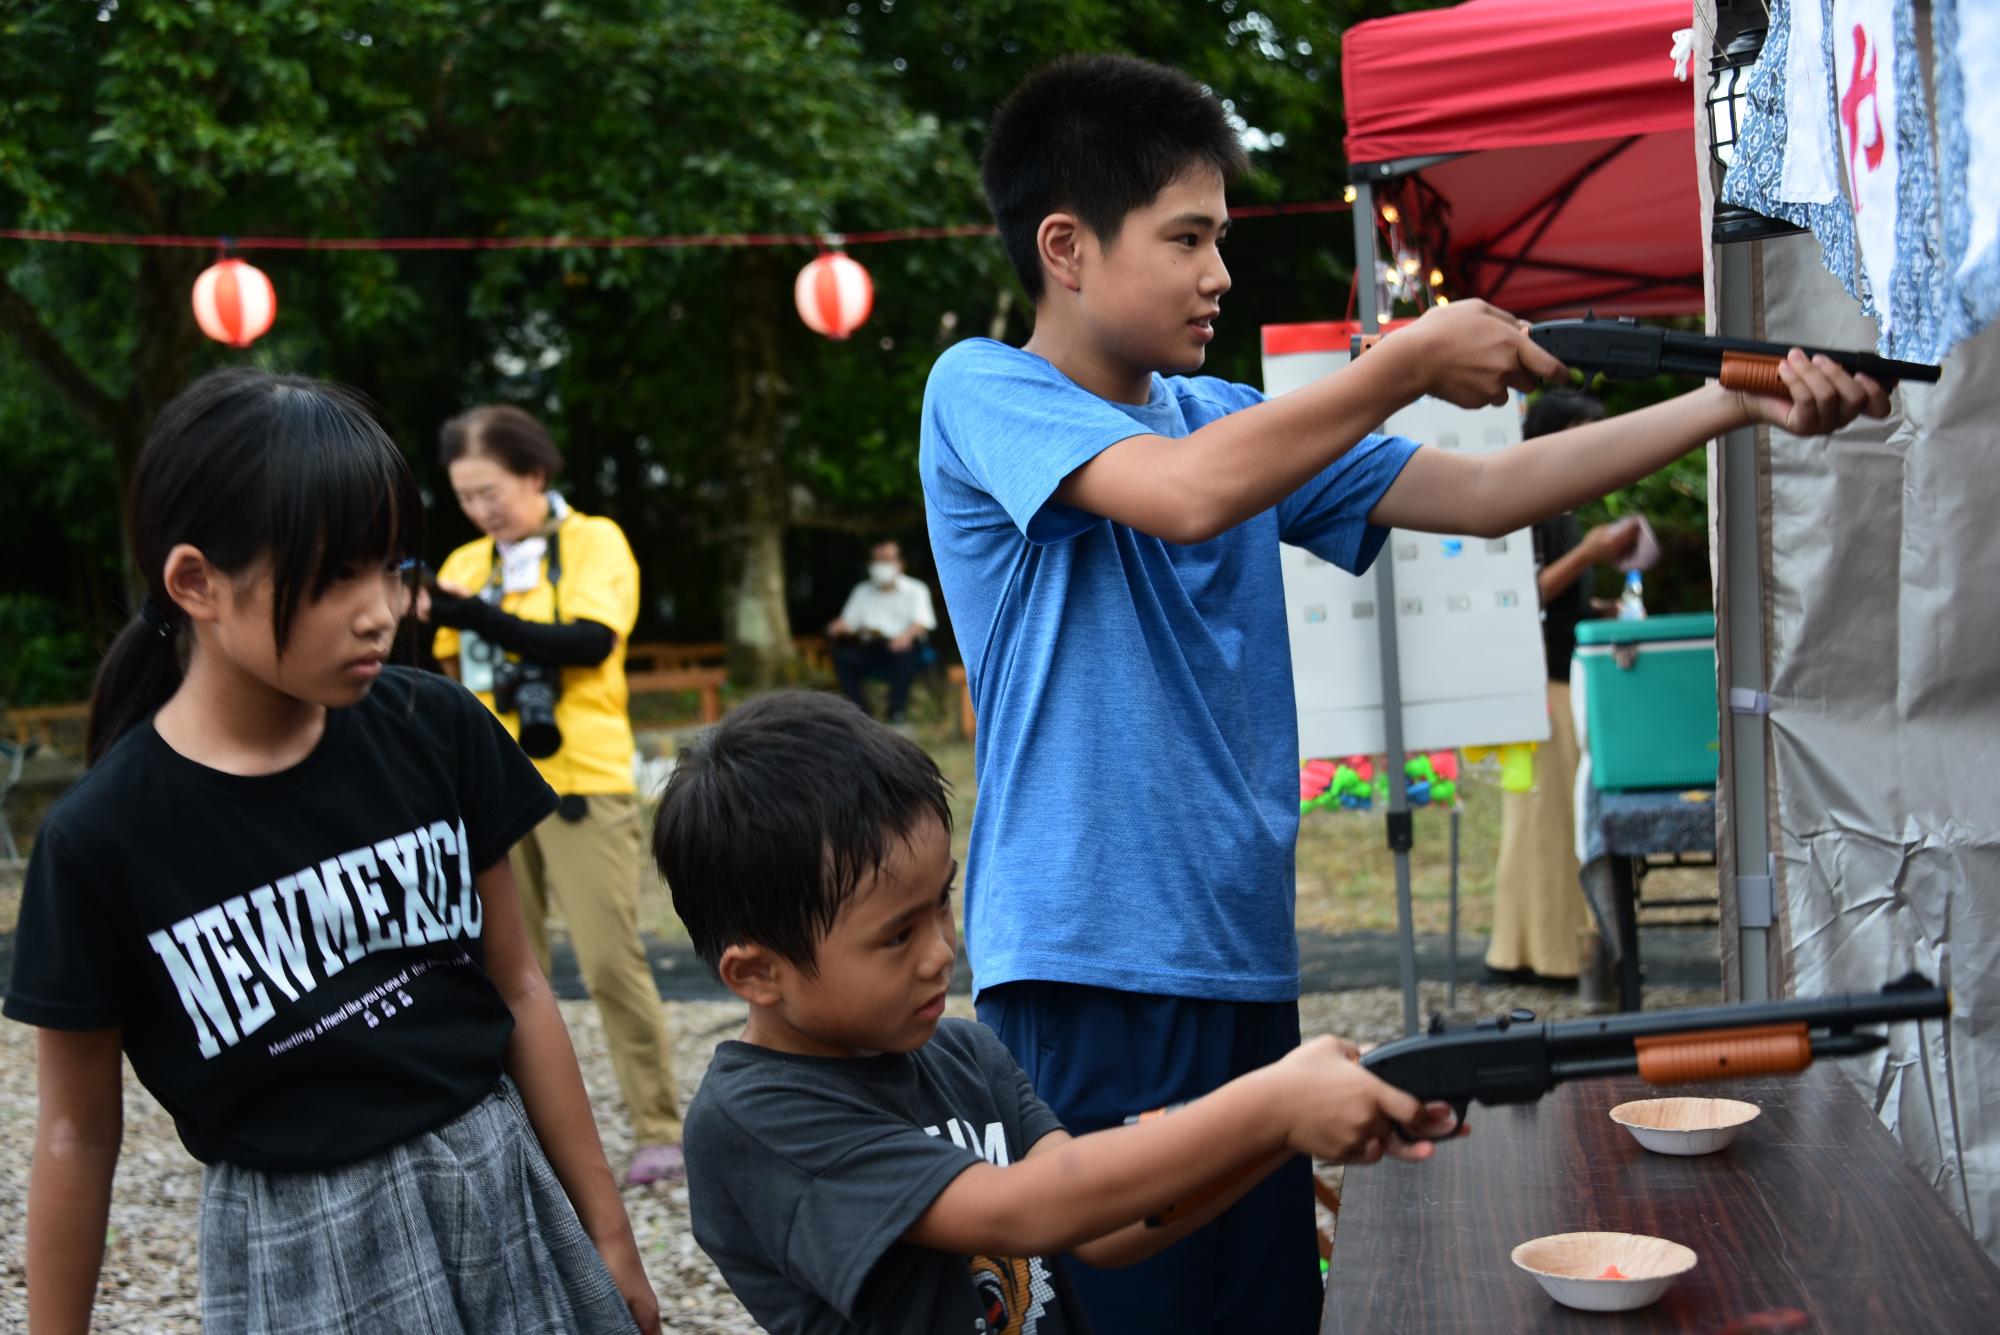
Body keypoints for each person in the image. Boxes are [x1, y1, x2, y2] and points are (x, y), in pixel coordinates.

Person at [918, 53, 1893, 1335]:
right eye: (1187, 238)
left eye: (1221, 236)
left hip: (1239, 954)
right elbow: (1182, 494)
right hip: (1091, 960)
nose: (1218, 273)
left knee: (1260, 1309)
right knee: (1121, 1310)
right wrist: (1407, 359)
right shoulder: (981, 392)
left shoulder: (1225, 412)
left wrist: (1731, 400)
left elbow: (1483, 496)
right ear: (1066, 247)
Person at [4, 369, 658, 1334]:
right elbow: (74, 1126)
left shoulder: (434, 728)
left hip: (500, 1180)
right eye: (333, 576)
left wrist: (608, 1235)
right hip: (298, 1243)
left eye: (392, 568)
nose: (379, 611)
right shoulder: (102, 837)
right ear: (195, 582)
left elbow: (519, 984)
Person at [651, 691, 1459, 1334]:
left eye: (942, 903)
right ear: (757, 973)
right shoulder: (754, 1120)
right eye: (897, 935)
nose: (942, 950)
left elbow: (1100, 1231)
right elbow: (1029, 1208)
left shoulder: (965, 1056)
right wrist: (1272, 1101)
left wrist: (1279, 1133)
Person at [421, 404, 686, 1185]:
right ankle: (530, 1138)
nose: (480, 510)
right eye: (466, 497)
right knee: (507, 966)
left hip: (583, 777)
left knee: (609, 960)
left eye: (491, 491)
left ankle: (658, 1126)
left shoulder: (594, 540)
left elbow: (592, 641)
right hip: (487, 788)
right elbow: (441, 664)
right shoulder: (466, 562)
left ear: (536, 474)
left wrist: (480, 617)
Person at [1485, 391, 1641, 984]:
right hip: (1536, 684)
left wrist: (1600, 605)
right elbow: (1521, 596)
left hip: (1560, 678)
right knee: (1542, 822)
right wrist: (1591, 554)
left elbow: (1557, 599)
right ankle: (1540, 954)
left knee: (1551, 821)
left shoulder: (1560, 505)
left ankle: (1541, 949)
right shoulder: (1526, 502)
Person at [828, 538, 938, 723]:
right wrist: (838, 627)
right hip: (870, 647)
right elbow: (848, 623)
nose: (880, 565)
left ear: (900, 564)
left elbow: (923, 622)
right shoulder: (861, 591)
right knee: (843, 657)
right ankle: (861, 713)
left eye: (886, 560)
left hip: (904, 648)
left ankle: (896, 710)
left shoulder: (916, 589)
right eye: (876, 560)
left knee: (904, 654)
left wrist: (905, 637)